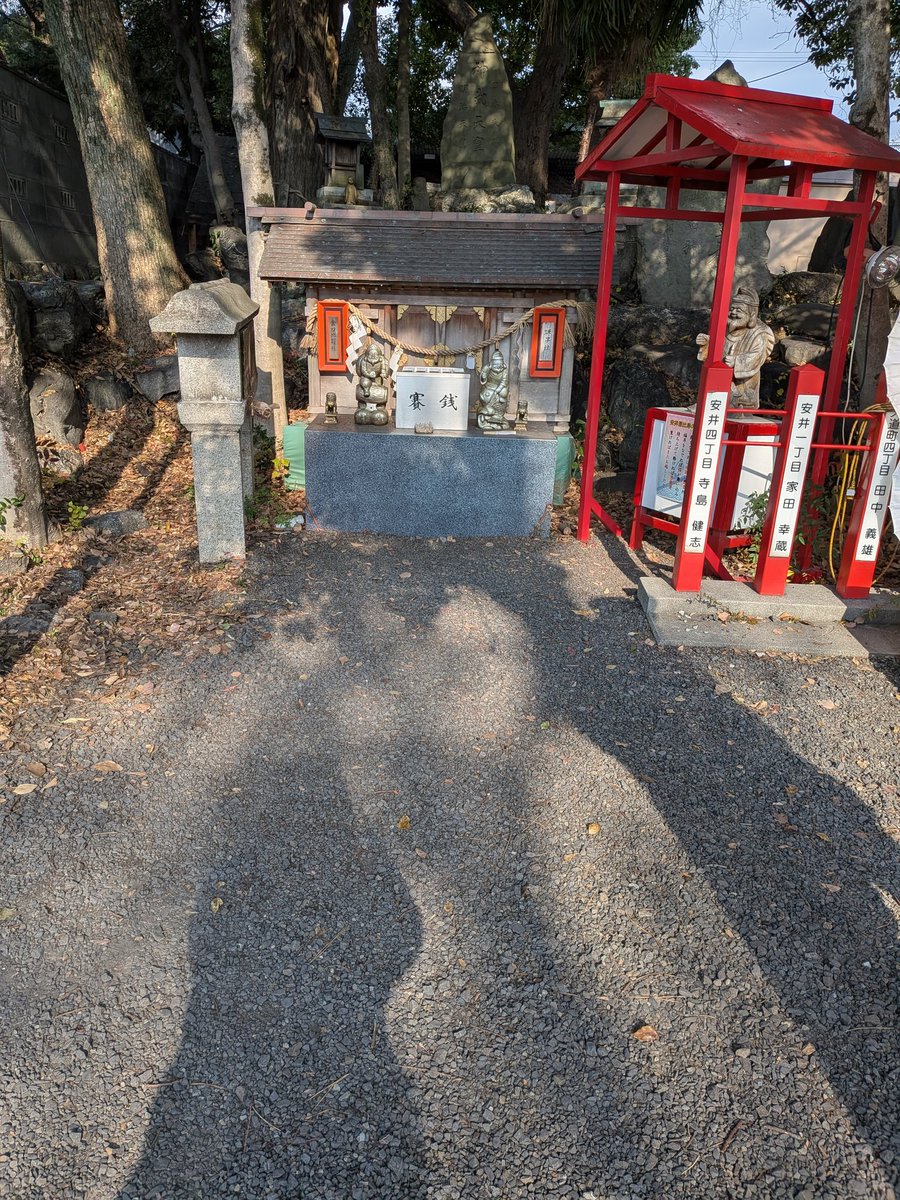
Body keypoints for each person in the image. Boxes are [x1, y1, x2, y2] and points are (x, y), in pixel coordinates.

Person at [696, 285, 775, 408]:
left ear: (752, 314)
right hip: (720, 382)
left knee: (737, 402)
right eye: (732, 309)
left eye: (739, 311)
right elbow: (718, 348)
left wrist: (736, 360)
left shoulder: (759, 332)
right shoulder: (726, 327)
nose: (733, 313)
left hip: (743, 386)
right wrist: (707, 343)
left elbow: (757, 355)